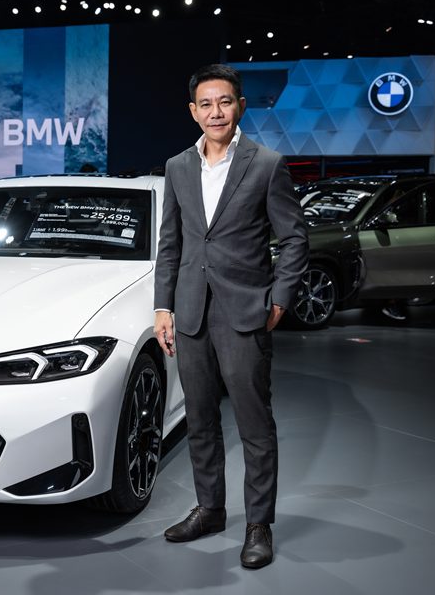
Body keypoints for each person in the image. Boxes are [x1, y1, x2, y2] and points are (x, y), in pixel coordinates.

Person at [154, 64, 308, 569]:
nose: (215, 112)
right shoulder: (177, 166)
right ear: (193, 111)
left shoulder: (266, 164)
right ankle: (211, 509)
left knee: (254, 425)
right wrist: (163, 305)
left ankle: (259, 524)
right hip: (191, 313)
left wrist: (279, 299)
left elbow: (294, 239)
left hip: (245, 312)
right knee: (199, 420)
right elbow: (171, 244)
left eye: (224, 102)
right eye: (206, 104)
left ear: (239, 106)